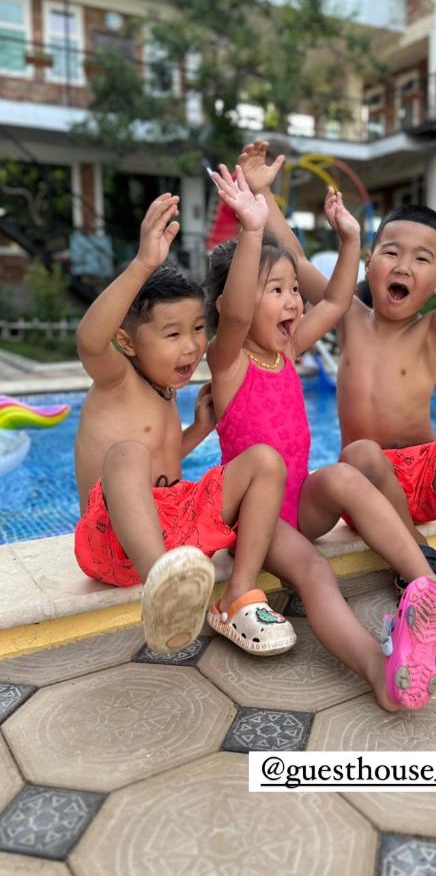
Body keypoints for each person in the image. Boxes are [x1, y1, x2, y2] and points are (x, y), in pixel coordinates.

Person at [241, 140, 436, 618]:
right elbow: (295, 260)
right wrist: (263, 196)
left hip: (427, 478)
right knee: (360, 451)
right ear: (368, 264)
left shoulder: (434, 332)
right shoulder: (346, 315)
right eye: (392, 252)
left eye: (421, 259)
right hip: (368, 487)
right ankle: (415, 555)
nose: (403, 266)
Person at [205, 162, 436, 712]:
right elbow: (237, 312)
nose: (295, 302)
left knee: (343, 475)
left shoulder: (288, 350)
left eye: (295, 290)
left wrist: (351, 241)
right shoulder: (229, 361)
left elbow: (338, 302)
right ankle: (378, 673)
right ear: (235, 303)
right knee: (316, 573)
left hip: (299, 504)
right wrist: (253, 230)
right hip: (257, 519)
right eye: (277, 290)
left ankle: (426, 587)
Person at [74, 191, 296, 657]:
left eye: (198, 329)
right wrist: (143, 263)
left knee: (264, 461)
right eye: (172, 334)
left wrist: (197, 429)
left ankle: (238, 596)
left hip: (176, 532)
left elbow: (163, 463)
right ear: (127, 342)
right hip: (116, 542)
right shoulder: (115, 379)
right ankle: (163, 589)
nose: (192, 347)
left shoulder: (166, 388)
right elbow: (90, 341)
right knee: (127, 452)